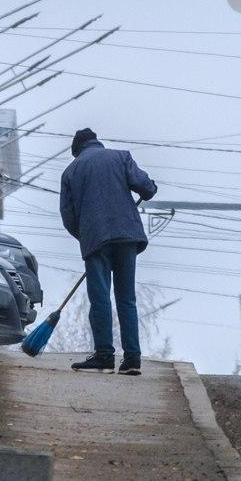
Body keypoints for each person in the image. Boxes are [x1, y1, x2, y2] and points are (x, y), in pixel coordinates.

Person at [58, 127, 158, 374]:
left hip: (95, 240)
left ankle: (104, 354)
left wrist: (85, 236)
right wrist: (150, 187)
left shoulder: (71, 171)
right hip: (127, 236)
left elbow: (68, 216)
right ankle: (132, 359)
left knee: (100, 297)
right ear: (97, 143)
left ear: (76, 150)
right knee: (127, 298)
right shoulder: (121, 156)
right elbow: (146, 188)